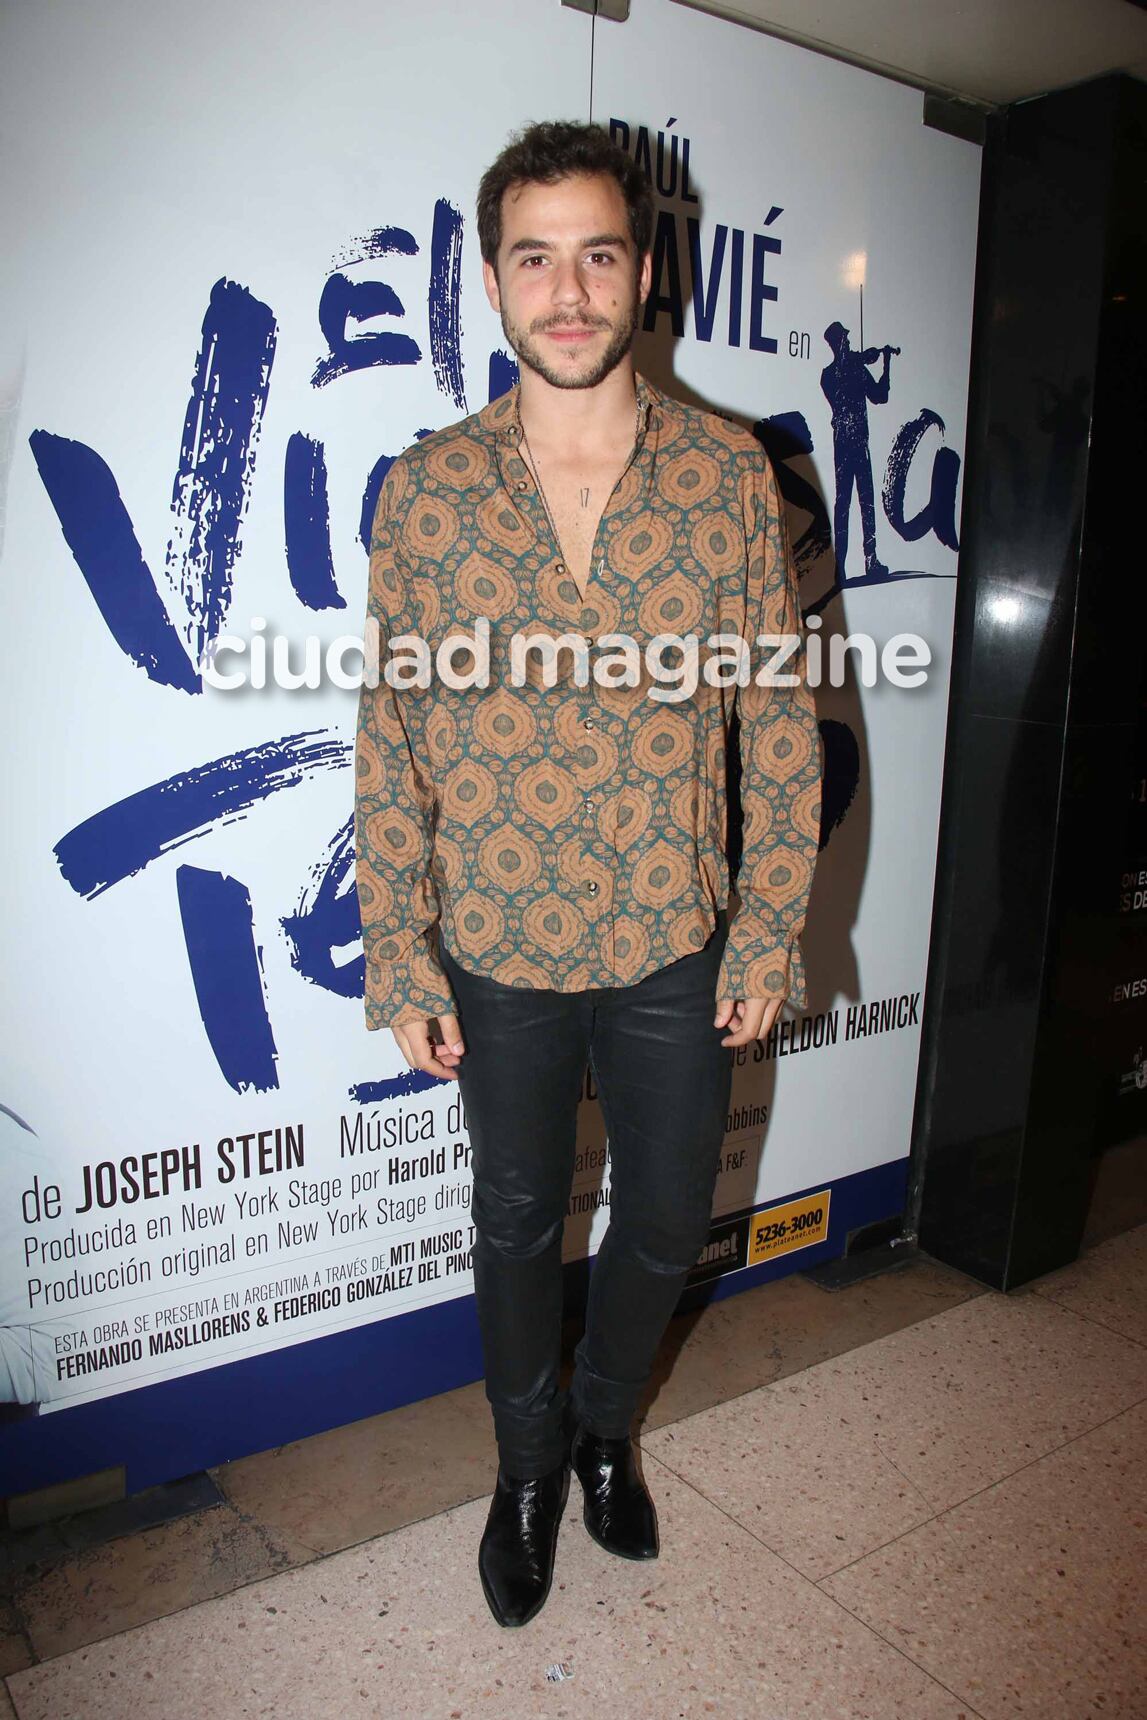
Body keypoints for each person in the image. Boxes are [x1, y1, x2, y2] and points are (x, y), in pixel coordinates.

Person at [355, 120, 822, 1628]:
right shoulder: (427, 491)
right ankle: (525, 1466)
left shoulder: (727, 474)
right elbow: (392, 734)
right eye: (535, 258)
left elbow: (778, 719)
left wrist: (766, 936)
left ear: (640, 275)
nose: (568, 291)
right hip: (493, 941)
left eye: (598, 256)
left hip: (677, 934)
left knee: (672, 1212)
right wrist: (405, 960)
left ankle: (607, 1433)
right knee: (511, 1221)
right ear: (492, 282)